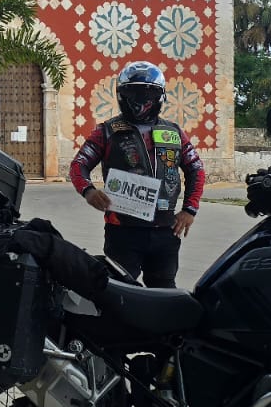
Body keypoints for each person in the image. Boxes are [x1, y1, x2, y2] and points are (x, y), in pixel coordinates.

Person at [68, 62, 205, 289]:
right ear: (121, 94)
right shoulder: (106, 131)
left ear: (160, 95)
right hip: (122, 230)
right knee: (118, 293)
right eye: (133, 92)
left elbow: (196, 169)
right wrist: (88, 191)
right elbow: (78, 165)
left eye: (148, 92)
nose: (141, 99)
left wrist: (190, 209)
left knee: (163, 293)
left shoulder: (174, 132)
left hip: (166, 231)